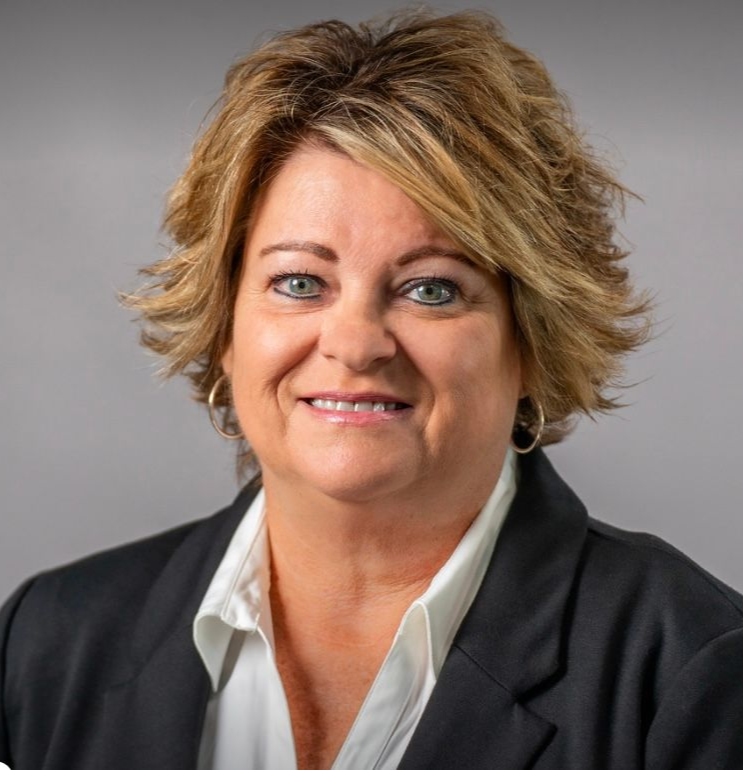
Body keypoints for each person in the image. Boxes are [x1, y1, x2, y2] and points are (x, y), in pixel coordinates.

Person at [1, 9, 742, 770]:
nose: (354, 344)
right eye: (299, 282)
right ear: (223, 325)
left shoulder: (695, 672)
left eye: (431, 289)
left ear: (532, 339)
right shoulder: (47, 641)